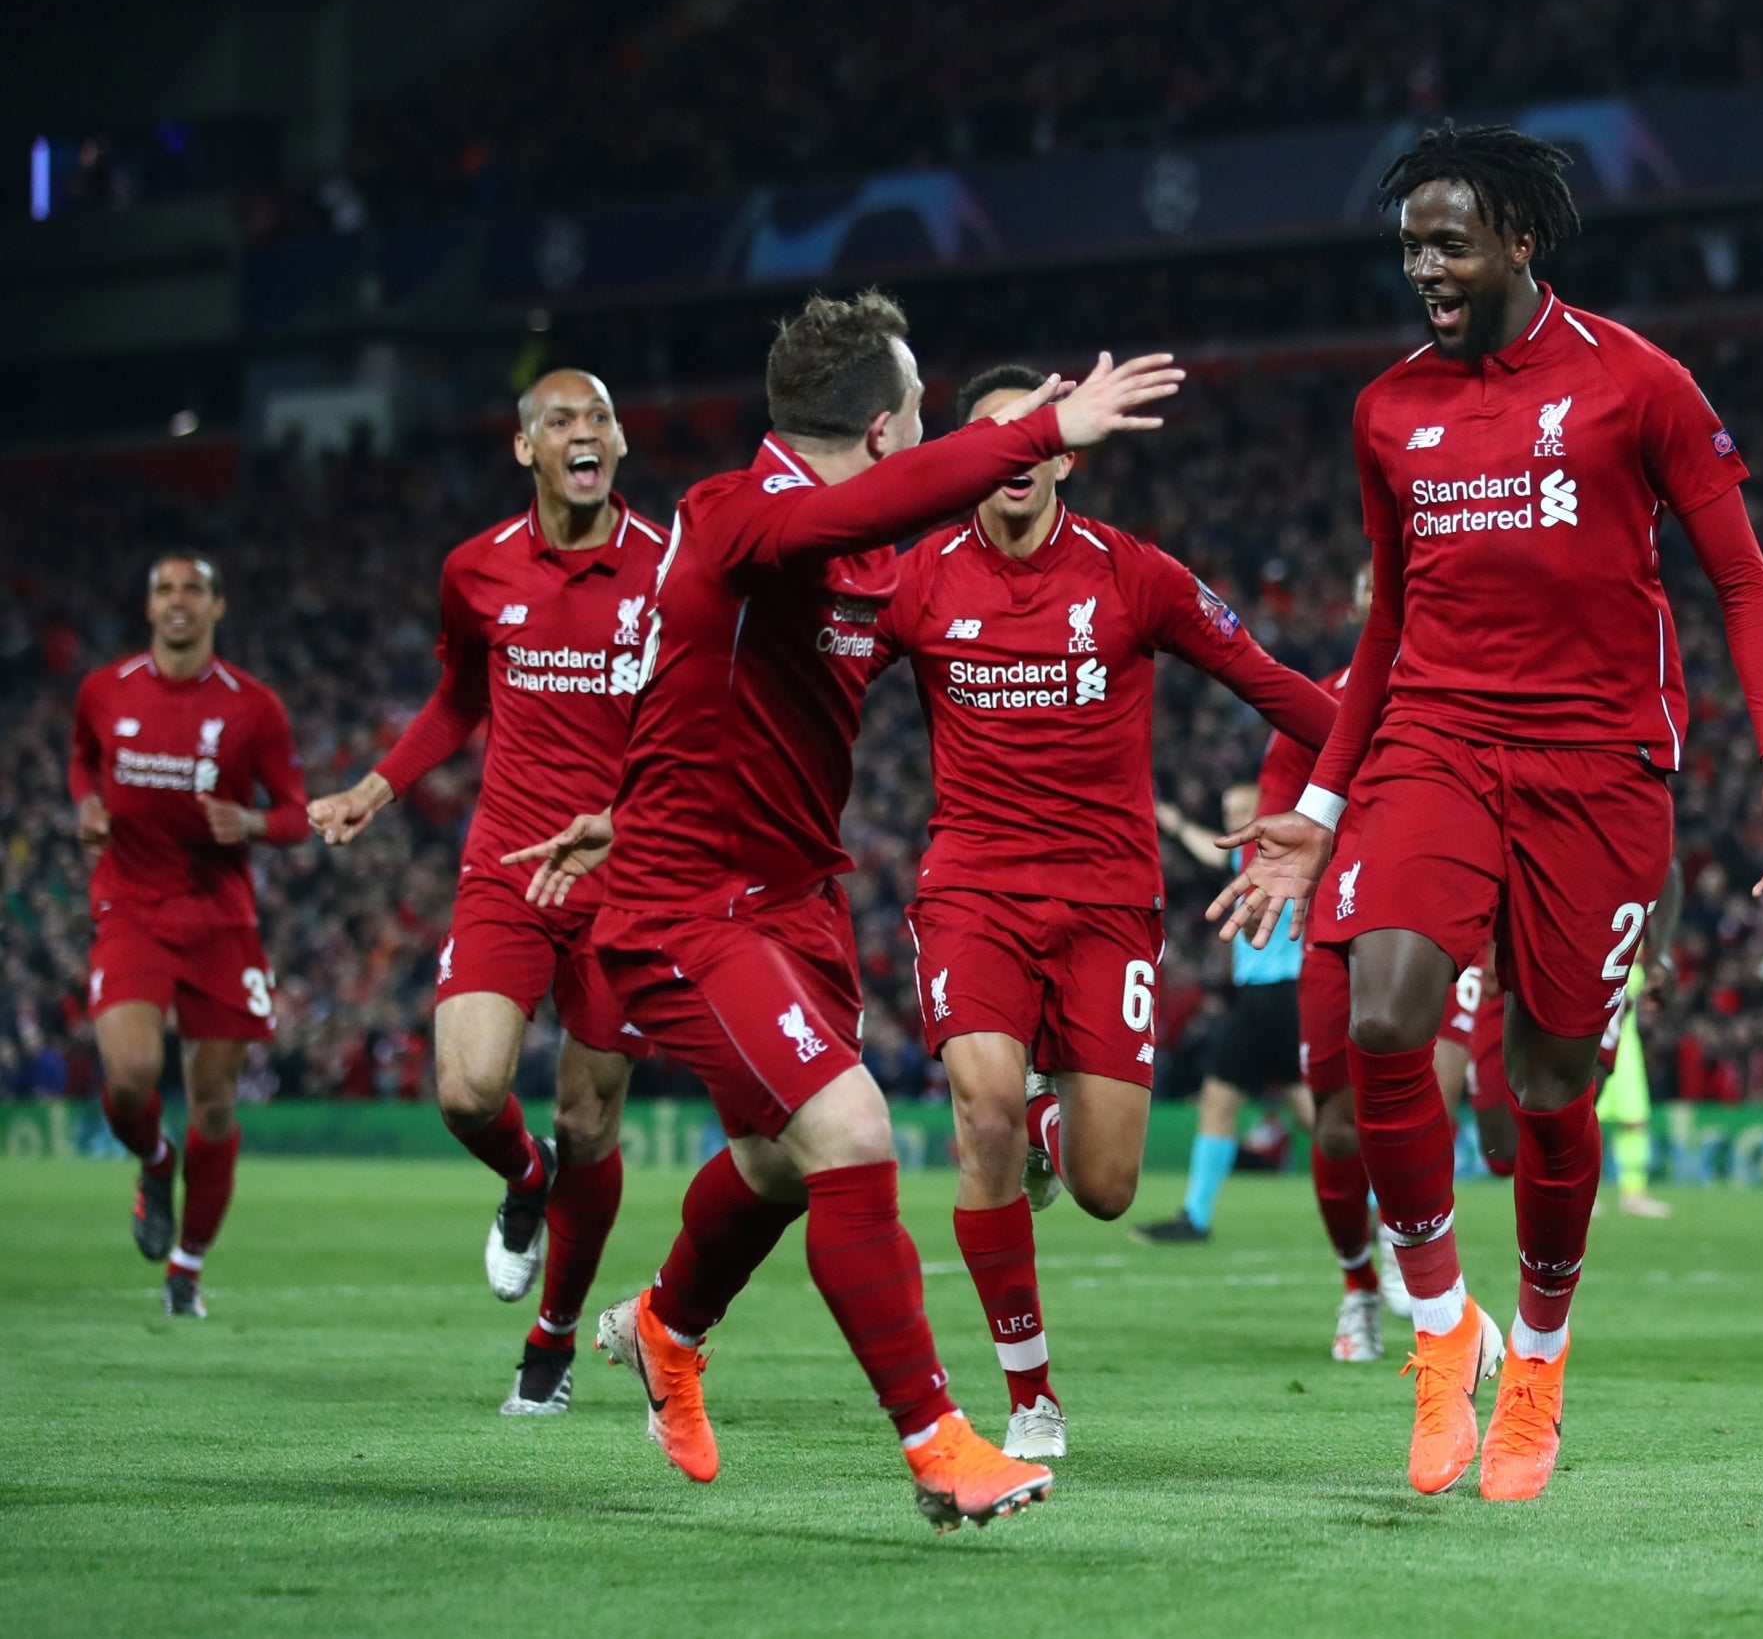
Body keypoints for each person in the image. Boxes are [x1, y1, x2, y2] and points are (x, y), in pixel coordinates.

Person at [507, 292, 1182, 1528]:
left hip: (796, 897)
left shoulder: (846, 540)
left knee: (770, 1160)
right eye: (920, 410)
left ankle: (665, 1326)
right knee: (852, 1132)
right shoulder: (736, 510)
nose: (928, 430)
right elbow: (847, 520)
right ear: (882, 429)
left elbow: (706, 688)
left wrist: (622, 794)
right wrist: (1041, 429)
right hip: (692, 904)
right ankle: (938, 1442)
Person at [1210, 122, 1763, 1503]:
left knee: (1543, 1086)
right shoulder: (1386, 410)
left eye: (1449, 241)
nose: (1424, 265)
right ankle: (1438, 1333)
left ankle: (1534, 1357)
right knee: (1380, 1014)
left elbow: (1740, 581)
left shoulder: (1634, 384)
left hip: (1598, 766)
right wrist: (1318, 799)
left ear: (1519, 242)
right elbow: (1390, 625)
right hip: (1432, 738)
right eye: (1411, 242)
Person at [871, 362, 1336, 1455]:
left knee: (1106, 1186)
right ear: (963, 460)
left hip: (1107, 899)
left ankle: (1049, 1120)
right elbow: (814, 703)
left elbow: (1269, 681)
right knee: (978, 1112)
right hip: (972, 886)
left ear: (1064, 454)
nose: (1015, 456)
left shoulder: (1134, 576)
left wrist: (1393, 756)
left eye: (1035, 436)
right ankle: (1029, 1393)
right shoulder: (918, 580)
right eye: (992, 438)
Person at [307, 370, 661, 1414]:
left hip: (623, 878)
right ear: (526, 448)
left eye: (599, 416)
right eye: (561, 420)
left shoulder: (672, 567)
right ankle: (523, 1178)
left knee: (592, 1121)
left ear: (620, 442)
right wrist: (379, 784)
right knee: (466, 1090)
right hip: (507, 862)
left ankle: (547, 1349)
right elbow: (460, 692)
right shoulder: (475, 569)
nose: (584, 432)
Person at [71, 552, 308, 1317]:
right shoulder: (105, 690)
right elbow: (82, 759)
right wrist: (84, 805)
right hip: (131, 905)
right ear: (149, 608)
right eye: (166, 589)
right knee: (132, 1075)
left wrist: (252, 822)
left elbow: (299, 812)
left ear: (217, 607)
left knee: (213, 1102)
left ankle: (187, 1266)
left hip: (218, 917)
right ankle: (152, 1157)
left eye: (193, 590)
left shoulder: (253, 708)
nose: (179, 601)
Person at [1143, 781, 1318, 1250]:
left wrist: (1179, 826)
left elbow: (1217, 854)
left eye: (1242, 809)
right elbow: (1214, 850)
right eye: (1227, 810)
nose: (1232, 820)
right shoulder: (1254, 859)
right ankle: (1381, 1201)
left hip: (1271, 996)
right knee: (1313, 1115)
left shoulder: (1278, 858)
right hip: (1272, 999)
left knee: (1221, 1099)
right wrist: (1178, 824)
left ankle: (1196, 1216)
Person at [1596, 863, 1682, 1220]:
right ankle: (1585, 1193)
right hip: (1596, 1018)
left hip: (1625, 1027)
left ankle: (1633, 1191)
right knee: (1586, 1113)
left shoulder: (1632, 902)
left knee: (1633, 1114)